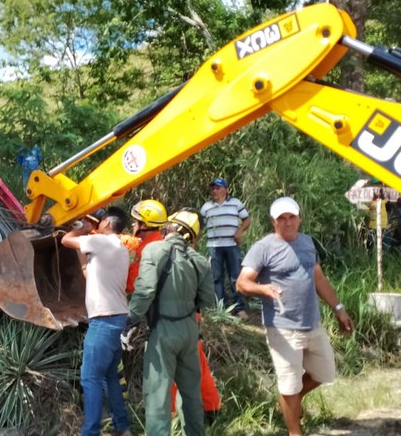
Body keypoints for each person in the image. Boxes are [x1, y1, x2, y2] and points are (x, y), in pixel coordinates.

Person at [236, 197, 354, 436]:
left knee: (325, 373)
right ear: (273, 222)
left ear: (299, 218)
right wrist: (264, 289)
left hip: (312, 323)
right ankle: (294, 431)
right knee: (289, 385)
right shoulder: (263, 247)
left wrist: (338, 308)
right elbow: (242, 283)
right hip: (283, 328)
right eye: (282, 218)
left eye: (292, 217)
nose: (288, 222)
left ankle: (290, 404)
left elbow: (318, 278)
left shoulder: (308, 242)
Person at [127, 201, 222, 421]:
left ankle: (168, 414)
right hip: (188, 314)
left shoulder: (152, 248)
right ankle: (211, 407)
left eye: (135, 220)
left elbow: (138, 286)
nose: (132, 224)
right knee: (196, 363)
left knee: (163, 368)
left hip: (168, 316)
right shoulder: (184, 251)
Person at [61, 207, 131, 436]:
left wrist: (81, 227)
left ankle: (90, 432)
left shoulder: (102, 241)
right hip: (116, 319)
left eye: (100, 221)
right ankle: (122, 427)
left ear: (108, 223)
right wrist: (85, 236)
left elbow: (65, 240)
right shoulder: (118, 248)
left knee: (90, 378)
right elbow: (87, 273)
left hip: (104, 321)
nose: (98, 223)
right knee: (110, 375)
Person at [200, 177, 251, 320]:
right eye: (213, 188)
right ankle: (220, 308)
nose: (214, 191)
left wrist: (240, 231)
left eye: (218, 188)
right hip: (214, 247)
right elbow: (200, 225)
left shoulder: (235, 203)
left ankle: (239, 307)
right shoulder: (206, 207)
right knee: (216, 278)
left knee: (236, 277)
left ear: (226, 190)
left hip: (232, 245)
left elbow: (247, 219)